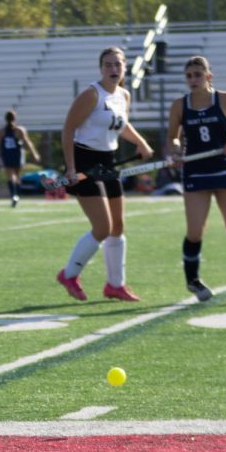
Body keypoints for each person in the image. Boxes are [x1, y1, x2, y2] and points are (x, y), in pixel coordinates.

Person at [56, 46, 153, 303]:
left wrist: (141, 143)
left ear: (124, 68)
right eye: (108, 65)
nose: (113, 69)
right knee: (102, 227)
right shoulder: (91, 95)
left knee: (118, 226)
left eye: (117, 65)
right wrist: (71, 168)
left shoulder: (124, 95)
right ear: (101, 68)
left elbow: (121, 125)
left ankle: (115, 285)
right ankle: (69, 274)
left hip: (108, 161)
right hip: (85, 161)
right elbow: (68, 129)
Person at [165, 54, 226, 305]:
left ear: (208, 76)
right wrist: (174, 151)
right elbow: (173, 137)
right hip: (195, 170)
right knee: (195, 232)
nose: (193, 80)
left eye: (197, 75)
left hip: (225, 168)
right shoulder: (179, 105)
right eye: (189, 76)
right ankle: (192, 280)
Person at [0, 109, 40, 208]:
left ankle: (13, 195)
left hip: (7, 155)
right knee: (17, 176)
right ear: (15, 118)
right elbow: (28, 143)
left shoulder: (1, 132)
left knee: (11, 176)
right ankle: (17, 195)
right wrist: (34, 154)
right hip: (17, 155)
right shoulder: (20, 130)